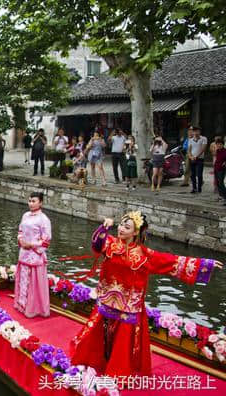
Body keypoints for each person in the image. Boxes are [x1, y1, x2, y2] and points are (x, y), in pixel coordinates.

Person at [70, 212, 222, 376]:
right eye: (121, 225)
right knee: (98, 335)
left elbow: (171, 262)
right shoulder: (110, 244)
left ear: (135, 232)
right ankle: (96, 361)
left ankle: (118, 370)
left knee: (122, 343)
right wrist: (104, 228)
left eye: (127, 227)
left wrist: (205, 264)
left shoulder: (144, 254)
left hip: (128, 306)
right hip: (106, 300)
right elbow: (96, 245)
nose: (121, 229)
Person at [14, 192, 51, 318]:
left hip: (35, 255)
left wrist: (31, 244)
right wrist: (21, 241)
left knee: (34, 282)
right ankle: (22, 305)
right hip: (24, 252)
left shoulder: (44, 219)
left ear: (40, 202)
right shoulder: (25, 215)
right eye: (29, 201)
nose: (30, 203)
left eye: (34, 201)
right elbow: (20, 231)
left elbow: (46, 240)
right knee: (23, 279)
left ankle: (35, 308)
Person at [187, 126, 208, 193]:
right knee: (192, 175)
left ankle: (199, 187)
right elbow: (189, 150)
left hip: (200, 159)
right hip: (192, 159)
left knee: (199, 174)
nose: (196, 132)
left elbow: (203, 149)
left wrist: (196, 156)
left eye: (197, 131)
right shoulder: (190, 140)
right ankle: (194, 188)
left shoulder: (203, 138)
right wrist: (191, 157)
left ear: (199, 131)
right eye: (194, 131)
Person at [213, 138, 226, 205]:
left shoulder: (225, 151)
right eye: (217, 144)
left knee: (221, 183)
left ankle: (225, 196)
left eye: (220, 144)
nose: (219, 145)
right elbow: (216, 158)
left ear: (223, 145)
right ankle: (221, 196)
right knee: (217, 183)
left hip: (222, 169)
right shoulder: (217, 151)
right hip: (216, 168)